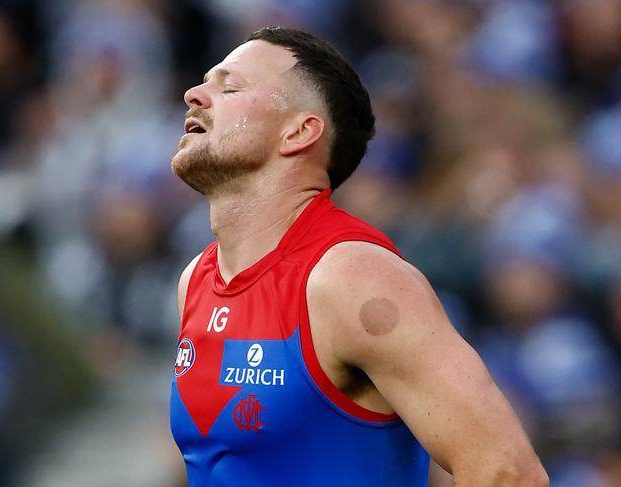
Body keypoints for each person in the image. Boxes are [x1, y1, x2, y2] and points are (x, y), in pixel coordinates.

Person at [169, 26, 548, 486]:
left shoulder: (351, 277)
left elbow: (508, 472)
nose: (195, 94)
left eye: (230, 87)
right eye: (206, 82)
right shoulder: (197, 280)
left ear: (299, 132)